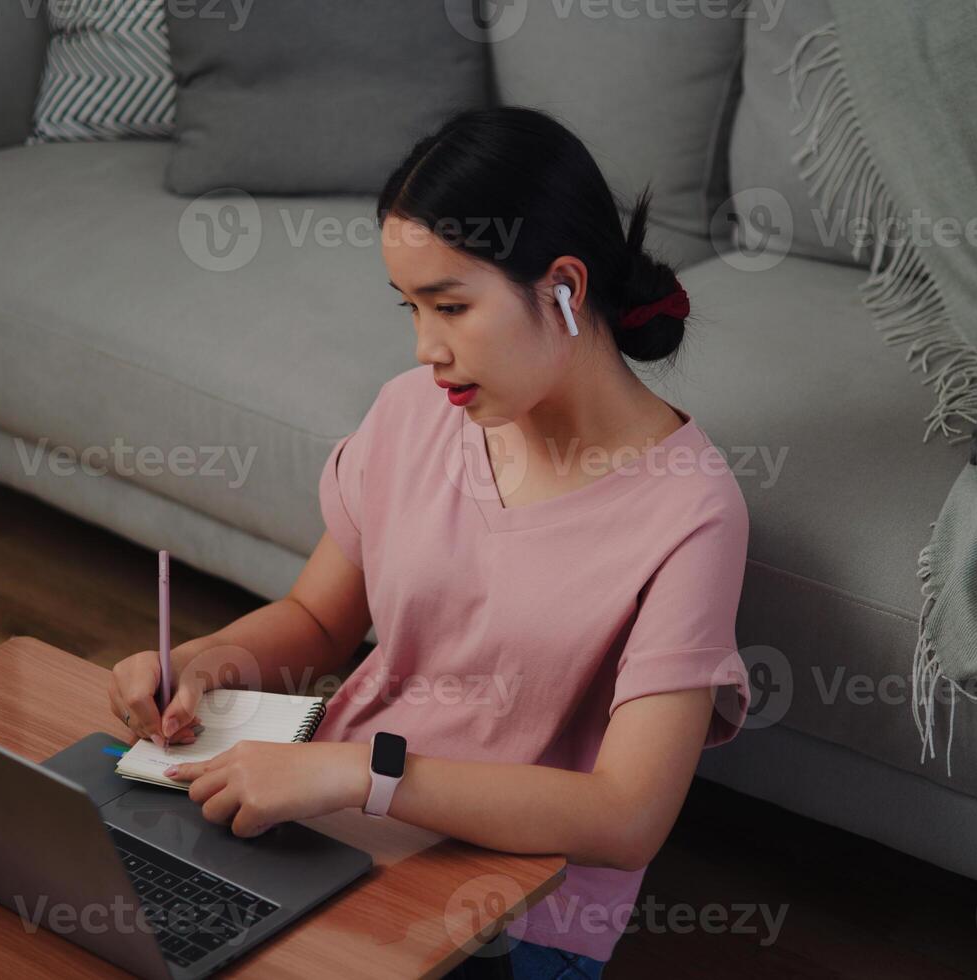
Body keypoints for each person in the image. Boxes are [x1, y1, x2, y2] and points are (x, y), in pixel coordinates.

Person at [109, 105, 753, 978]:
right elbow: (315, 619)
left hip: (512, 911)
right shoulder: (414, 413)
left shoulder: (691, 511)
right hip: (321, 833)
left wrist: (362, 775)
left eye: (450, 306)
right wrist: (209, 662)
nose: (426, 349)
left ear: (562, 287)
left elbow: (627, 815)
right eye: (410, 307)